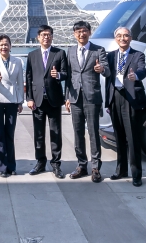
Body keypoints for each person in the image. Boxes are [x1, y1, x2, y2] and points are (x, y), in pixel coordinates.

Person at [64, 20, 110, 183]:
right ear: (74, 34)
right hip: (75, 97)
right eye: (78, 31)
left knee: (93, 133)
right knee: (77, 133)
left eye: (84, 31)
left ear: (90, 32)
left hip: (92, 97)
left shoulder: (98, 50)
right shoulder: (69, 51)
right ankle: (81, 165)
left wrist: (101, 69)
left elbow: (107, 70)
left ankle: (95, 167)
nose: (81, 34)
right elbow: (68, 76)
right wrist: (67, 97)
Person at [104, 26, 146, 187]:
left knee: (133, 138)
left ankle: (136, 174)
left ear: (131, 38)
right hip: (115, 97)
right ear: (115, 38)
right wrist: (101, 70)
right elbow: (106, 72)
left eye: (126, 35)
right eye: (120, 36)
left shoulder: (138, 55)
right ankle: (121, 170)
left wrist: (135, 76)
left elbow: (143, 70)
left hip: (131, 99)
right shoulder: (110, 56)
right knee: (119, 137)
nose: (123, 38)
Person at [25, 24, 67, 179]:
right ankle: (40, 162)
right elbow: (28, 78)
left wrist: (59, 76)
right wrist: (29, 98)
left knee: (55, 133)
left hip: (54, 99)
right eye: (43, 35)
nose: (46, 37)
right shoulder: (32, 55)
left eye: (49, 34)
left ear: (52, 36)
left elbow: (65, 74)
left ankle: (56, 164)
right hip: (37, 100)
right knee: (39, 134)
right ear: (38, 37)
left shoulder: (60, 53)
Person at [0, 34, 25, 177]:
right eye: (1, 44)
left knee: (9, 133)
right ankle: (0, 167)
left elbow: (20, 83)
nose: (4, 47)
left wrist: (20, 101)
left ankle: (11, 165)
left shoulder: (18, 61)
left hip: (12, 101)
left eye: (6, 44)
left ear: (10, 46)